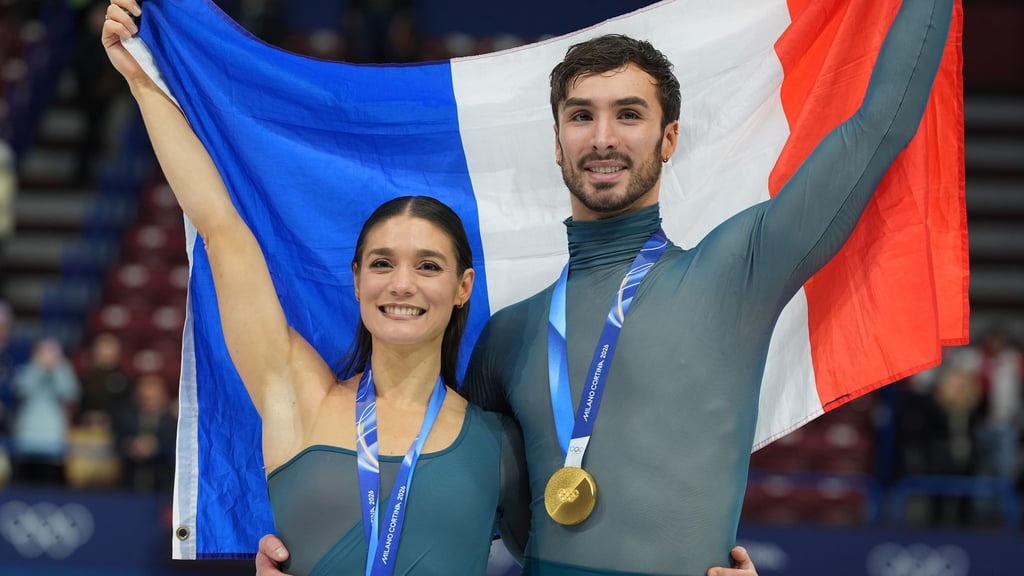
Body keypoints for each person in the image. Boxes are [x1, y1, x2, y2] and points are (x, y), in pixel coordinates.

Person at [256, 0, 953, 573]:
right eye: (581, 115)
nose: (603, 137)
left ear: (670, 136)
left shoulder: (738, 270)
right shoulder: (512, 335)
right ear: (556, 142)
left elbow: (876, 130)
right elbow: (439, 500)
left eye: (628, 113)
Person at [104, 3, 528, 573]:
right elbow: (221, 228)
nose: (402, 283)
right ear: (356, 280)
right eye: (382, 263)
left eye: (428, 266)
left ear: (462, 287)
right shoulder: (297, 398)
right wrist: (142, 78)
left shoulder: (500, 444)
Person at [11, 337, 81, 485]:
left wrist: (56, 370)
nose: (49, 357)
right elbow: (22, 390)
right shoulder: (28, 369)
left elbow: (70, 394)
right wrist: (40, 368)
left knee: (52, 481)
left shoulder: (63, 371)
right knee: (25, 481)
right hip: (29, 434)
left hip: (54, 435)